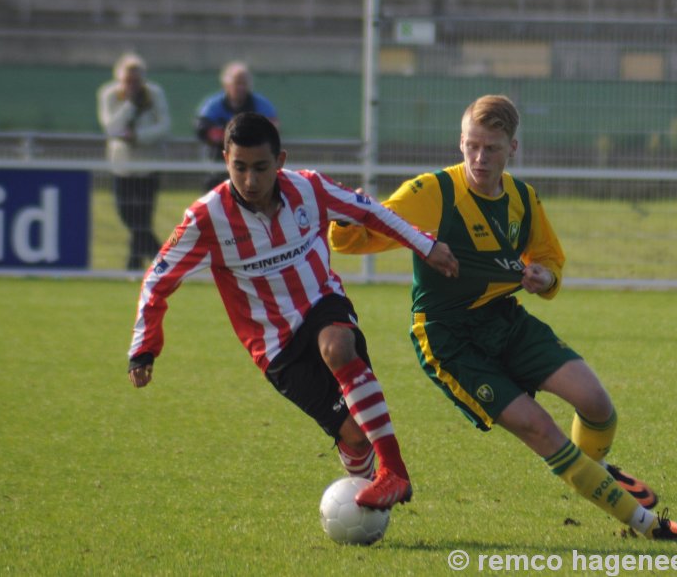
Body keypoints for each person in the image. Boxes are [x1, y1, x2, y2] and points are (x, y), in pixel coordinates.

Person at [329, 94, 677, 541]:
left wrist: (544, 276)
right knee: (541, 429)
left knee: (597, 404)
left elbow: (550, 260)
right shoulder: (433, 193)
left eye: (491, 148)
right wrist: (347, 217)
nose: (479, 157)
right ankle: (650, 526)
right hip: (450, 340)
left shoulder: (522, 200)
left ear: (513, 148)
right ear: (460, 142)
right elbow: (355, 241)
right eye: (472, 145)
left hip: (505, 320)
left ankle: (600, 473)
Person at [126, 112, 459, 510]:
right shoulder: (206, 219)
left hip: (322, 304)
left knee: (337, 345)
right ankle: (367, 494)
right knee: (354, 435)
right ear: (225, 159)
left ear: (280, 161)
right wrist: (143, 348)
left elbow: (369, 211)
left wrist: (426, 245)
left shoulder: (310, 188)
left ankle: (394, 472)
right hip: (273, 346)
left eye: (261, 168)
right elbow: (158, 279)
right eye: (240, 168)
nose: (250, 180)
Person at [97, 52, 171, 271]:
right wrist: (129, 104)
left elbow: (164, 126)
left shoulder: (154, 94)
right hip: (122, 166)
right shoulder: (109, 95)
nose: (133, 85)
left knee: (143, 219)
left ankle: (134, 267)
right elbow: (111, 127)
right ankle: (164, 262)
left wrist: (138, 136)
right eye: (128, 81)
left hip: (149, 166)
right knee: (128, 215)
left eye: (137, 81)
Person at [196, 61, 279, 191]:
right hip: (218, 162)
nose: (240, 87)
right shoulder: (213, 105)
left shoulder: (261, 104)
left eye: (244, 83)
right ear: (226, 84)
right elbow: (202, 129)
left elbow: (273, 128)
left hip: (252, 161)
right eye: (237, 83)